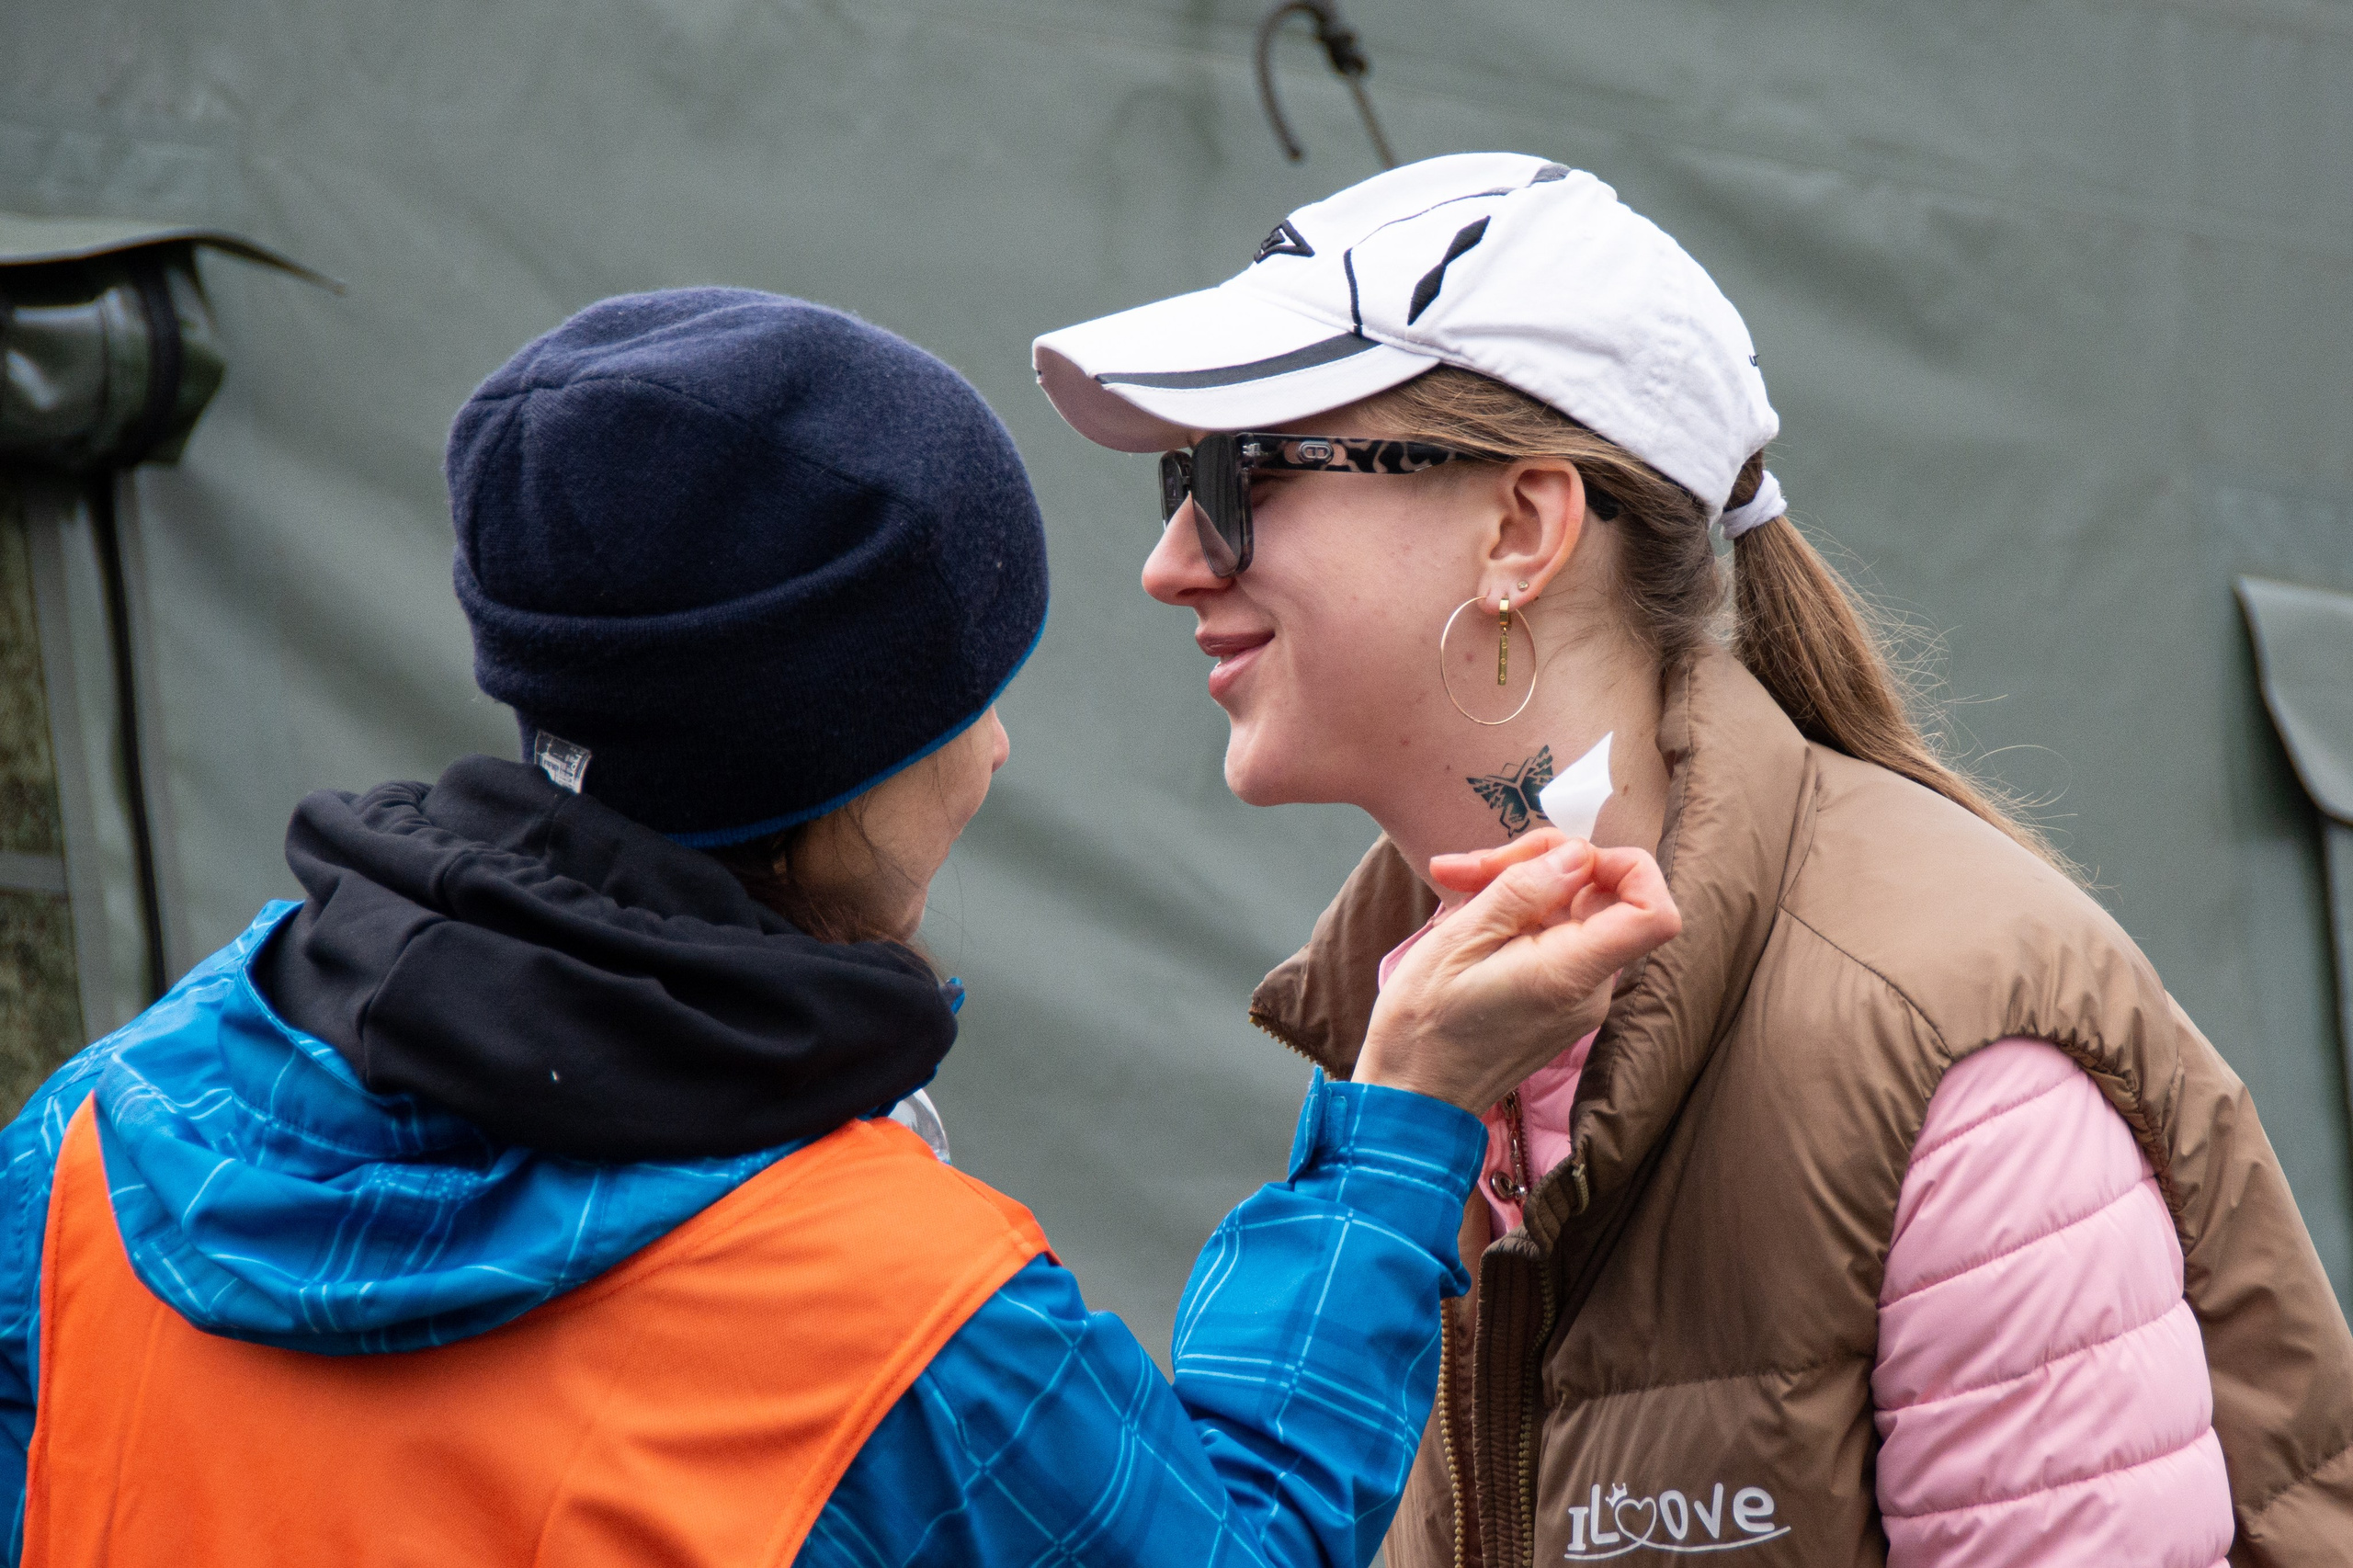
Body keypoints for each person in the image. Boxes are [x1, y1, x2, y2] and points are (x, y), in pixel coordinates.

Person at [0, 290, 1684, 1565]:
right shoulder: (897, 1321)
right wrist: (1399, 1120)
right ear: (838, 757)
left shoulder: (101, 1135)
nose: (1001, 748)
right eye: (971, 694)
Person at [1033, 153, 2353, 1565]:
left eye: (1241, 476)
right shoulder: (1409, 1036)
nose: (1174, 560)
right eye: (1185, 481)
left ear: (1520, 528)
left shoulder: (1940, 1052)